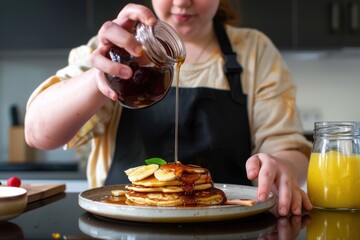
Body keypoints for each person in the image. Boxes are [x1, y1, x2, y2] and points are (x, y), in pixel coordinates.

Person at [24, 0, 313, 216]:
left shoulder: (255, 51)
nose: (181, 2)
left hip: (228, 229)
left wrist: (281, 165)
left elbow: (288, 148)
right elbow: (38, 134)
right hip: (121, 230)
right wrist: (98, 78)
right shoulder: (111, 51)